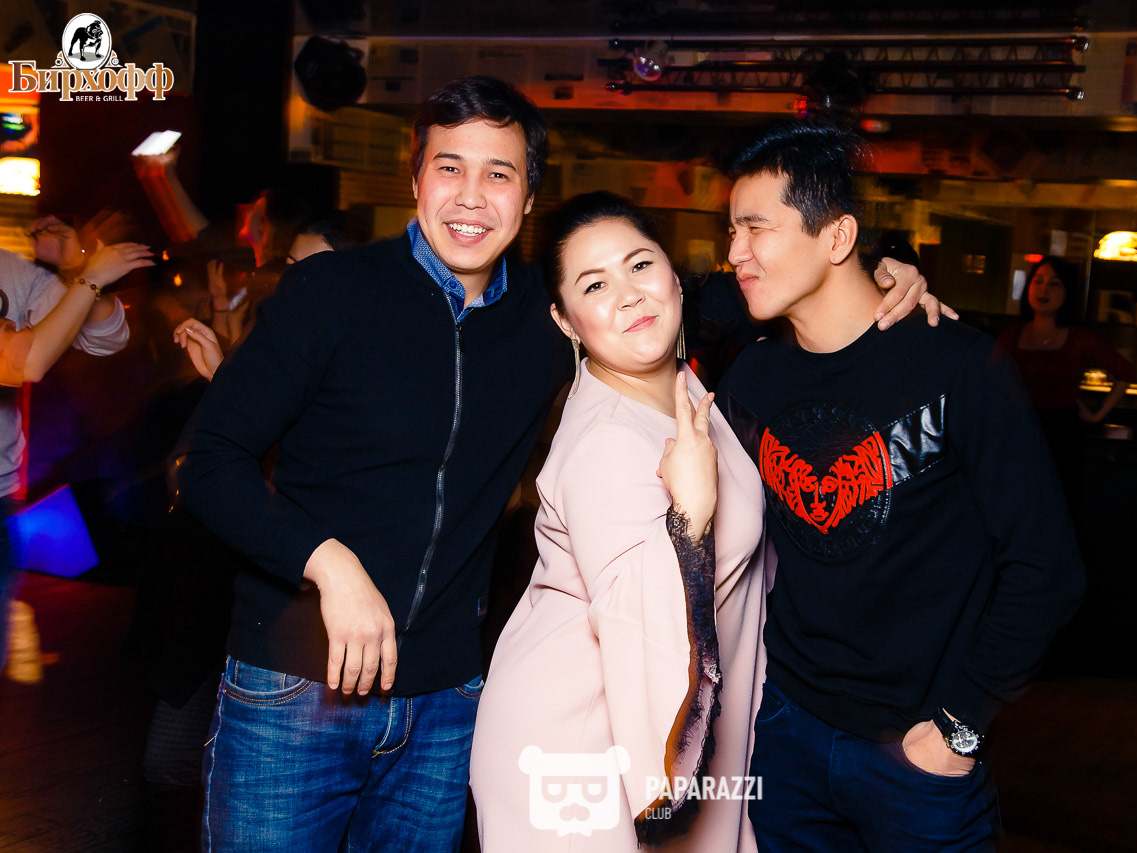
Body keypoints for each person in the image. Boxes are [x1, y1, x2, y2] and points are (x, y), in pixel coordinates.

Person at [179, 76, 936, 852]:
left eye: (499, 173)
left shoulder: (550, 315)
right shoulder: (333, 292)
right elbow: (206, 461)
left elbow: (709, 293)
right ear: (415, 178)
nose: (471, 196)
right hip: (299, 683)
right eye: (450, 167)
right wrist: (327, 561)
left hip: (445, 699)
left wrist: (878, 275)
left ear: (529, 195)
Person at [715, 122, 1086, 851]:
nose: (735, 252)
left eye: (756, 227)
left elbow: (1046, 570)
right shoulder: (753, 378)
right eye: (731, 230)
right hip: (788, 731)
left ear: (837, 236)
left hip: (918, 756)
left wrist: (959, 728)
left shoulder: (958, 365)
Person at [470, 193, 766, 851]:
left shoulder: (684, 389)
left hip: (651, 736)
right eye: (595, 285)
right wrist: (689, 515)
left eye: (639, 265)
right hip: (580, 745)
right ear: (566, 319)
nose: (629, 295)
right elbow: (638, 621)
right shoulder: (606, 440)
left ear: (673, 273)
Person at [0, 218, 151, 670]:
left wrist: (74, 271)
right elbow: (24, 362)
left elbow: (104, 338)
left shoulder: (13, 269)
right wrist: (90, 277)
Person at [995, 256, 1135, 507]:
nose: (1043, 290)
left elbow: (1126, 371)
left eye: (1054, 283)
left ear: (1067, 292)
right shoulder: (1013, 333)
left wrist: (1097, 415)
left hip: (1060, 436)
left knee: (1055, 503)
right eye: (1038, 281)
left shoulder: (1078, 338)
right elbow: (987, 377)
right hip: (1016, 431)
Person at [173, 212, 361, 380]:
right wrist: (216, 369)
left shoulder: (344, 354)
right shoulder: (280, 317)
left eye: (310, 274)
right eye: (291, 266)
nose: (294, 281)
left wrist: (217, 372)